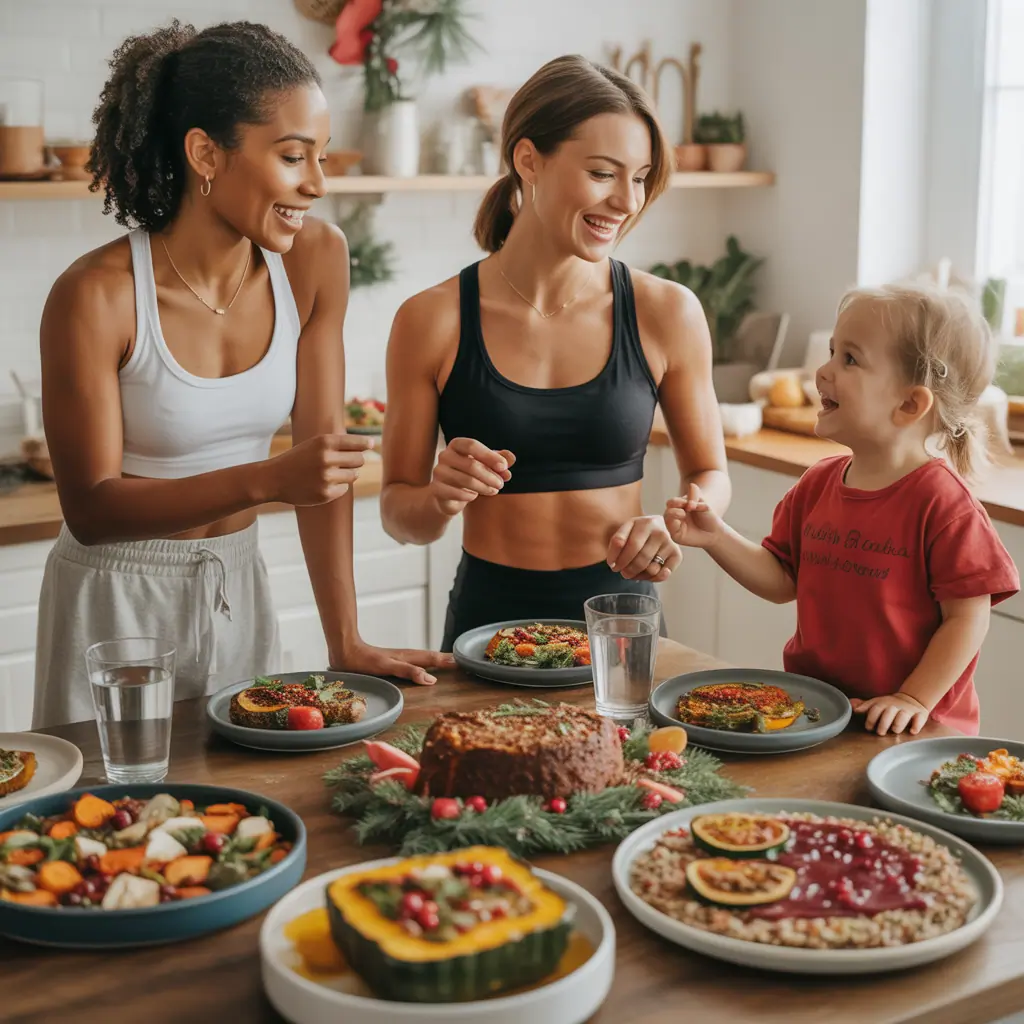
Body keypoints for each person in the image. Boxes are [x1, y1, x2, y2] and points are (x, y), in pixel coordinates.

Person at [33, 20, 449, 729]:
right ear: (206, 153)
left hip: (240, 583)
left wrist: (343, 637)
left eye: (319, 156)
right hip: (115, 602)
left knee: (252, 807)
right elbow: (92, 510)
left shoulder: (314, 259)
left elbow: (322, 464)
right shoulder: (96, 295)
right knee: (115, 821)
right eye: (293, 156)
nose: (316, 184)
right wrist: (266, 480)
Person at [380, 55, 731, 650]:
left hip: (622, 619)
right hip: (487, 622)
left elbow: (710, 474)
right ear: (528, 160)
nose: (626, 201)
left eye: (640, 177)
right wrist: (438, 498)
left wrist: (675, 521)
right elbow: (398, 512)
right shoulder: (431, 319)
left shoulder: (667, 312)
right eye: (603, 173)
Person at [665, 282, 1020, 737]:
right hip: (822, 712)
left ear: (910, 404)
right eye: (832, 351)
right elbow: (781, 580)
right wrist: (715, 536)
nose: (823, 370)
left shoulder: (944, 504)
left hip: (911, 729)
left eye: (849, 359)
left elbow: (968, 618)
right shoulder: (817, 484)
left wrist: (913, 698)